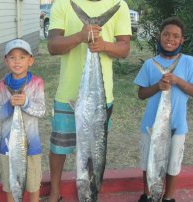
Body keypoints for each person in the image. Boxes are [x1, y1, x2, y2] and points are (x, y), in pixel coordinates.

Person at [46, 0, 131, 201]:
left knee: (95, 149)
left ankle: (91, 189)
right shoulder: (62, 4)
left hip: (101, 98)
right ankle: (55, 191)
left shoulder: (120, 5)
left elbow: (124, 49)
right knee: (59, 147)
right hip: (68, 94)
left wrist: (104, 45)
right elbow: (52, 46)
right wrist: (80, 37)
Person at [134, 17, 193, 202]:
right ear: (159, 36)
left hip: (177, 125)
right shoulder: (150, 64)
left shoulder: (189, 62)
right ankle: (148, 195)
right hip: (151, 125)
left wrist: (177, 81)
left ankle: (168, 197)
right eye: (166, 34)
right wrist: (158, 86)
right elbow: (141, 94)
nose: (170, 39)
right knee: (149, 161)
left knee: (173, 164)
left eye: (176, 36)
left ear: (182, 40)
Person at [0, 39, 46, 202]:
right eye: (12, 57)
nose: (17, 61)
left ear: (30, 60)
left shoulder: (37, 83)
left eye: (22, 57)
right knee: (11, 184)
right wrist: (10, 105)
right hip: (7, 147)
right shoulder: (2, 86)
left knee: (32, 184)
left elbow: (41, 110)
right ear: (6, 61)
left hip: (31, 146)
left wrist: (25, 103)